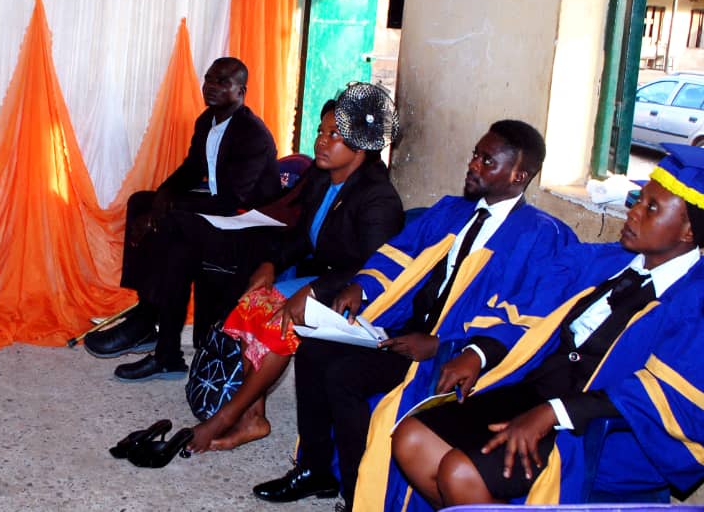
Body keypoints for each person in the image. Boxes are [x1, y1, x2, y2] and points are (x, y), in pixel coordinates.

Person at [252, 120, 576, 510]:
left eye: (487, 160)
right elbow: (397, 255)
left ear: (518, 175)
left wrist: (442, 344)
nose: (473, 164)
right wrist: (362, 286)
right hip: (405, 326)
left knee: (344, 376)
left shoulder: (539, 237)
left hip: (451, 349)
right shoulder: (451, 211)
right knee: (312, 352)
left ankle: (357, 496)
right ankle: (316, 469)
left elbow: (524, 315)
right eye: (475, 154)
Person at [390, 144, 704, 508]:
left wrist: (555, 412)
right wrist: (479, 352)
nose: (633, 212)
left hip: (603, 432)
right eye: (638, 200)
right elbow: (531, 309)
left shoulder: (693, 302)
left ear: (688, 232)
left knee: (459, 473)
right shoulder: (603, 262)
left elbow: (663, 394)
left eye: (651, 208)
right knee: (411, 439)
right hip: (535, 392)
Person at [187, 84, 404, 453]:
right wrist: (271, 264)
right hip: (322, 280)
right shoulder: (322, 178)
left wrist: (314, 291)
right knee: (252, 304)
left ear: (360, 146)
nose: (321, 141)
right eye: (321, 131)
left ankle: (224, 417)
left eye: (334, 135)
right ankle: (254, 418)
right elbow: (304, 237)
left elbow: (372, 268)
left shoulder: (378, 198)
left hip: (358, 294)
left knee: (280, 321)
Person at [83, 58, 280, 381]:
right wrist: (161, 198)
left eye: (223, 82)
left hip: (248, 226)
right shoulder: (206, 121)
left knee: (175, 230)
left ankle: (156, 337)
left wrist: (166, 211)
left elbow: (231, 201)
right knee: (141, 203)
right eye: (209, 79)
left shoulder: (252, 134)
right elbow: (191, 170)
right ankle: (148, 317)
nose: (212, 86)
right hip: (222, 214)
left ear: (241, 91)